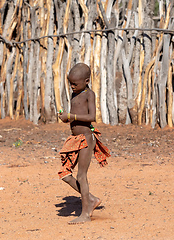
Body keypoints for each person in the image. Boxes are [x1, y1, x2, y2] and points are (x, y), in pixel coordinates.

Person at [58, 63, 110, 224]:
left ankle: (85, 215)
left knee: (81, 176)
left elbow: (91, 117)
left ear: (86, 81)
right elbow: (75, 114)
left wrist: (71, 116)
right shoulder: (75, 94)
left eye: (75, 84)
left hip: (87, 139)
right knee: (65, 174)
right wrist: (65, 117)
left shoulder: (89, 94)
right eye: (70, 84)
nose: (72, 87)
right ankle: (92, 199)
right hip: (75, 140)